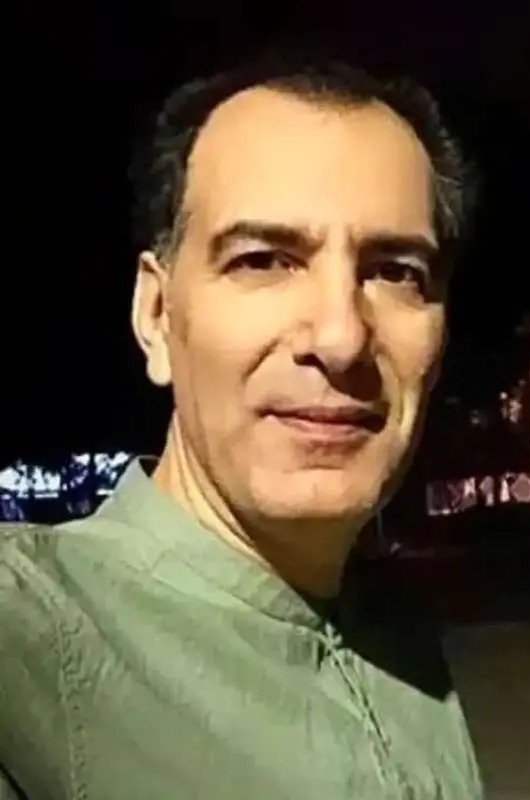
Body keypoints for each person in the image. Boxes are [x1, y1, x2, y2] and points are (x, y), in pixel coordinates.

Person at [0, 54, 482, 799]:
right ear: (156, 316)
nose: (341, 337)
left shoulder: (398, 637)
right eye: (263, 260)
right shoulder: (26, 633)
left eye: (394, 271)